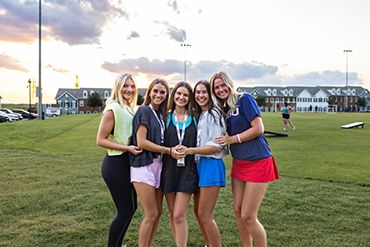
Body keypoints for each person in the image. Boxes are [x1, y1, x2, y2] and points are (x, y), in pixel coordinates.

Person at [211, 71, 279, 247]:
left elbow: (258, 128)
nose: (220, 89)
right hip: (239, 163)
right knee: (238, 211)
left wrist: (232, 139)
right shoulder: (223, 109)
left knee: (248, 215)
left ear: (229, 84)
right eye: (216, 87)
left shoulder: (244, 99)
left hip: (258, 161)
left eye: (222, 85)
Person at [129, 78, 184, 247]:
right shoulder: (144, 111)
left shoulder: (161, 115)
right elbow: (142, 142)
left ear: (167, 95)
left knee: (158, 213)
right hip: (143, 165)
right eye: (155, 91)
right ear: (149, 92)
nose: (158, 95)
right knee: (151, 213)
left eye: (162, 92)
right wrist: (168, 150)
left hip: (158, 166)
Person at [177, 80, 229, 247]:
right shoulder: (200, 115)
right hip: (199, 166)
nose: (200, 95)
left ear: (210, 94)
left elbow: (215, 146)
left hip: (211, 166)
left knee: (206, 215)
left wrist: (189, 150)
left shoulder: (215, 114)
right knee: (198, 213)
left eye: (204, 92)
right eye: (197, 92)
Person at [96, 73, 143, 247]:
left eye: (132, 86)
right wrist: (127, 148)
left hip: (125, 162)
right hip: (116, 164)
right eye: (125, 86)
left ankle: (118, 244)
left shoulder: (128, 107)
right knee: (125, 211)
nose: (129, 90)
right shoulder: (113, 108)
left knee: (130, 209)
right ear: (118, 87)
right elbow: (101, 140)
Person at [161, 81, 198, 247]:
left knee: (178, 215)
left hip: (188, 170)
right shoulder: (165, 117)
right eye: (178, 94)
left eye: (185, 95)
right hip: (169, 169)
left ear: (189, 98)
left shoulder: (196, 118)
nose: (181, 98)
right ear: (173, 95)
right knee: (171, 214)